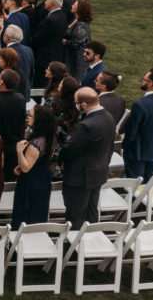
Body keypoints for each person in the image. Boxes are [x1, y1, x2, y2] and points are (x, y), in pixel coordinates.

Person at [61, 87, 115, 229]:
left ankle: (74, 249)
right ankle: (91, 245)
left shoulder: (86, 125)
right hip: (98, 172)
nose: (76, 106)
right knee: (91, 213)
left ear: (84, 105)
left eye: (76, 103)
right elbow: (110, 147)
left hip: (79, 177)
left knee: (76, 215)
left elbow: (68, 151)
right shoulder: (109, 117)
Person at [11, 104, 56, 229]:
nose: (27, 117)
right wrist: (21, 165)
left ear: (39, 120)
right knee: (38, 216)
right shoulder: (50, 137)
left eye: (30, 115)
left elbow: (26, 167)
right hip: (43, 182)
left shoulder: (36, 143)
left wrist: (19, 151)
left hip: (30, 186)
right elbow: (40, 160)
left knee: (24, 218)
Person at [32, 0, 68, 87]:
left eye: (47, 0)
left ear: (51, 3)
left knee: (41, 83)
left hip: (44, 58)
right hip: (56, 54)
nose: (45, 2)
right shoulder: (62, 15)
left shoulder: (50, 20)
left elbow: (38, 39)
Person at [62, 0, 93, 82]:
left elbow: (77, 43)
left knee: (76, 79)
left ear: (79, 9)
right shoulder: (76, 20)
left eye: (74, 5)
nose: (72, 5)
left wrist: (66, 42)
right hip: (73, 57)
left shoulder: (80, 26)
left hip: (77, 59)